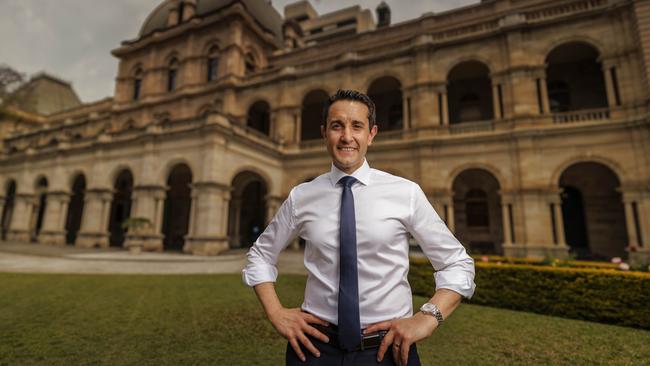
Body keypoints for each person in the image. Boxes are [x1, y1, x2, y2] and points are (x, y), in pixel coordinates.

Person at [243, 89, 475, 366]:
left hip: (388, 351)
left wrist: (428, 317)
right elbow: (260, 255)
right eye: (336, 126)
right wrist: (276, 312)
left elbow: (457, 264)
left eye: (357, 126)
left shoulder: (405, 193)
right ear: (324, 133)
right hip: (314, 349)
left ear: (371, 134)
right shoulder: (302, 196)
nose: (347, 137)